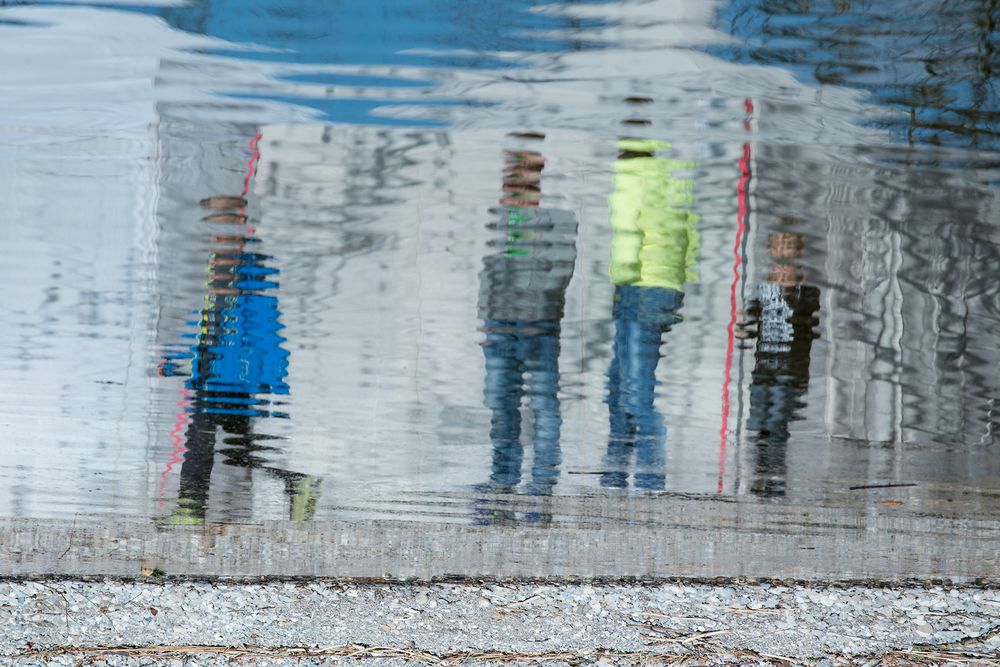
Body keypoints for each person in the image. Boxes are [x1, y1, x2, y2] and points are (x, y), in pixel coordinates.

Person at [159, 185, 317, 524]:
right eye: (214, 224)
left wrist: (273, 380)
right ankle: (296, 479)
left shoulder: (253, 270)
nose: (219, 232)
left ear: (240, 224)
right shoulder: (216, 266)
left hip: (234, 377)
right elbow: (203, 322)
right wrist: (176, 358)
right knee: (238, 451)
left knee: (200, 439)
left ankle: (190, 508)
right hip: (212, 373)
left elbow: (267, 328)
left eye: (225, 223)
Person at [478, 138, 577, 500]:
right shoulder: (501, 218)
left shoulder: (557, 219)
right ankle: (502, 479)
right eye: (509, 186)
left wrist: (540, 313)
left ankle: (542, 485)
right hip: (500, 326)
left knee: (543, 406)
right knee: (499, 403)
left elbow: (562, 269)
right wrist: (485, 320)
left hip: (539, 327)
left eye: (521, 185)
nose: (513, 194)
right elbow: (488, 270)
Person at [602, 132, 699, 491]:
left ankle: (647, 478)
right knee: (622, 386)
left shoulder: (631, 175)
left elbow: (627, 237)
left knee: (630, 390)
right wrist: (676, 292)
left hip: (638, 285)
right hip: (661, 287)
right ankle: (619, 474)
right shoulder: (676, 180)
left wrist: (623, 282)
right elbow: (692, 243)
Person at [741, 223, 820, 497]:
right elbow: (752, 317)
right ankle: (760, 472)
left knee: (776, 422)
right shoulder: (763, 287)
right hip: (762, 369)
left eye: (789, 251)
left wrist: (792, 289)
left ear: (799, 257)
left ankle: (775, 478)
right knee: (758, 421)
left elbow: (809, 330)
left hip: (788, 372)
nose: (783, 263)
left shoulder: (805, 292)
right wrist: (745, 326)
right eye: (779, 249)